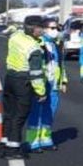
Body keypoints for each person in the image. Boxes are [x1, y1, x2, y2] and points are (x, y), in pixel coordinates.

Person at [0, 14, 48, 160]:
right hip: (23, 81)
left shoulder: (16, 37)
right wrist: (41, 92)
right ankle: (13, 149)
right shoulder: (34, 48)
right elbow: (36, 74)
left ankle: (4, 144)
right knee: (19, 116)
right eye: (41, 28)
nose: (43, 31)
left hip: (10, 78)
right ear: (33, 29)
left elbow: (13, 31)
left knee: (9, 113)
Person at [26, 16, 67, 152]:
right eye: (52, 28)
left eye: (57, 28)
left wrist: (63, 81)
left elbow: (60, 64)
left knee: (50, 111)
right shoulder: (38, 43)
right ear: (44, 29)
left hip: (53, 84)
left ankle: (45, 139)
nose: (56, 31)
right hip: (41, 84)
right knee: (36, 112)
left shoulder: (56, 44)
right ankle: (32, 141)